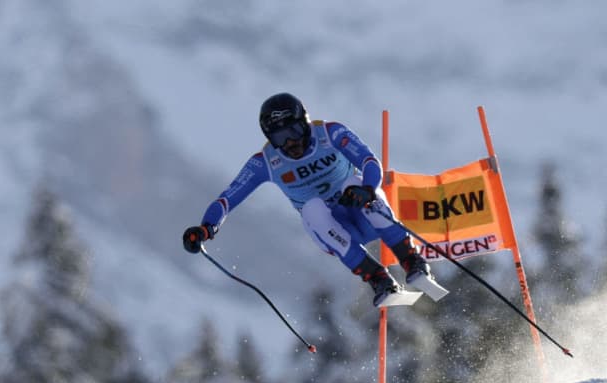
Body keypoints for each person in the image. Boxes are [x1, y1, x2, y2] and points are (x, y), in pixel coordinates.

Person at [182, 92, 438, 307]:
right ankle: (379, 280)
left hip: (361, 209)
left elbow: (370, 162)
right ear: (270, 139)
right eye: (280, 138)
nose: (291, 142)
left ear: (305, 124)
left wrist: (368, 189)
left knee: (353, 182)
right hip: (333, 229)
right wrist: (207, 227)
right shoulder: (266, 162)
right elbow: (228, 198)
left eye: (294, 131)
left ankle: (412, 261)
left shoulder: (330, 133)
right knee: (312, 208)